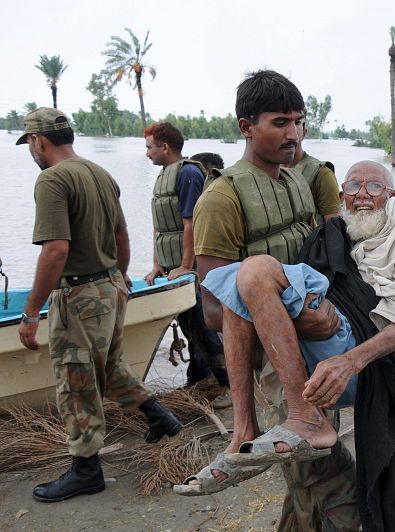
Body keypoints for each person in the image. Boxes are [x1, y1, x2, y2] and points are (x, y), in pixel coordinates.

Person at [202, 160, 395, 531]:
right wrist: (306, 313)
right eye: (354, 186)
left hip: (368, 355)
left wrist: (348, 362)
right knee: (238, 281)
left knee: (256, 270)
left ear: (391, 195)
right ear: (342, 196)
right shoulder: (333, 233)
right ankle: (244, 430)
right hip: (324, 343)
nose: (363, 195)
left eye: (374, 187)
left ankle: (303, 418)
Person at [182, 70, 359, 530]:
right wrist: (302, 322)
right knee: (331, 481)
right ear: (246, 127)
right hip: (275, 366)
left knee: (307, 481)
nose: (293, 134)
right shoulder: (221, 198)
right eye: (280, 122)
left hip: (316, 354)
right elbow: (214, 311)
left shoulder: (297, 180)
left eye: (298, 122)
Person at [16, 108, 183, 503]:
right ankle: (161, 418)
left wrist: (30, 312)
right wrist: (120, 276)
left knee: (76, 381)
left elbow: (56, 251)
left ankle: (85, 470)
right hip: (109, 287)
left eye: (30, 143)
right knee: (108, 365)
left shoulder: (52, 179)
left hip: (78, 294)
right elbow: (122, 235)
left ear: (39, 140)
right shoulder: (99, 173)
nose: (31, 150)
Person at [144, 124, 230, 407]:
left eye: (150, 147)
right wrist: (158, 264)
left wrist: (185, 265)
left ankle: (230, 385)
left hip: (189, 270)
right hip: (173, 270)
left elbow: (191, 223)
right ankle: (200, 377)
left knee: (206, 328)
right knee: (190, 328)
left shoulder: (188, 173)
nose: (147, 153)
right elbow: (160, 225)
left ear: (165, 147)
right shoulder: (164, 175)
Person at [285, 122, 340, 225]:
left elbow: (333, 227)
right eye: (279, 123)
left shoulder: (322, 174)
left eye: (297, 123)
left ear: (304, 132)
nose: (289, 134)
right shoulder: (261, 170)